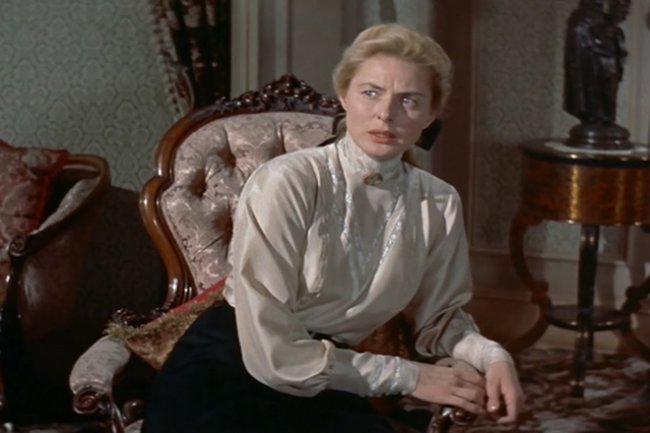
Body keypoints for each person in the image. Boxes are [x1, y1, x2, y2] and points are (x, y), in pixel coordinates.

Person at [142, 23, 524, 433]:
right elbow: (272, 351)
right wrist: (411, 376)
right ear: (344, 95)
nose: (386, 114)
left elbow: (440, 320)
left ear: (431, 114)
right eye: (371, 92)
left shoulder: (438, 202)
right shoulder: (287, 181)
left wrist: (493, 356)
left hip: (328, 376)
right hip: (231, 368)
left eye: (409, 100)